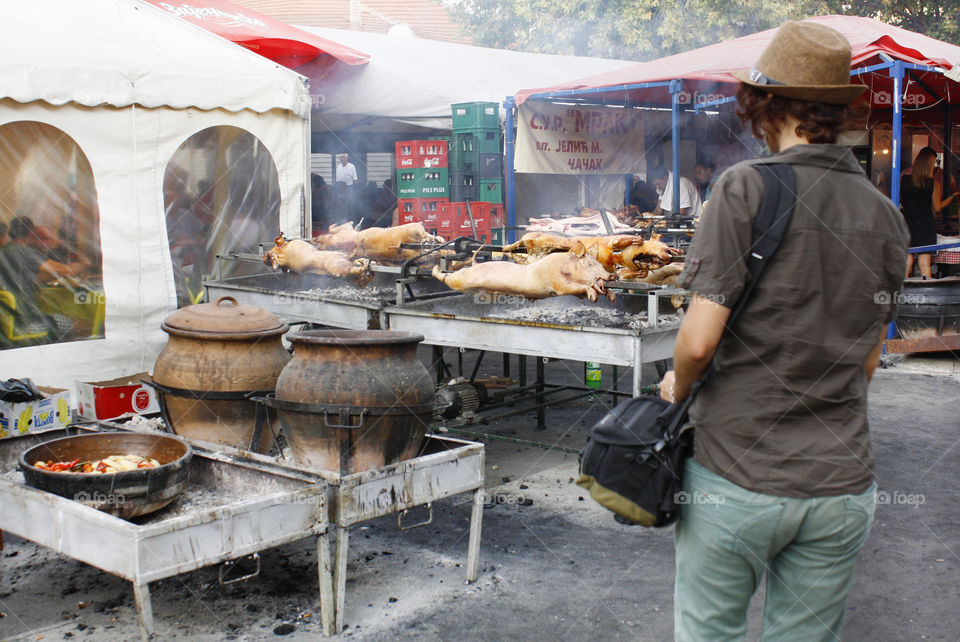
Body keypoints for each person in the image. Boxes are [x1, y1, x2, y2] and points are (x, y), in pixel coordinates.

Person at [658, 21, 908, 641]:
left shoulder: (746, 187)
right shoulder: (886, 214)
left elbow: (698, 341)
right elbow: (868, 360)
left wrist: (678, 385)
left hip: (737, 473)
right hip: (841, 484)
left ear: (765, 106)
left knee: (709, 632)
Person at [0, 216, 87, 340]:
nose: (45, 242)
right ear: (31, 233)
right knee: (72, 323)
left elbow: (36, 277)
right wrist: (84, 265)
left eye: (48, 239)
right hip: (24, 321)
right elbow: (66, 270)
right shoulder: (23, 252)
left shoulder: (4, 251)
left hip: (6, 323)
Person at [901, 146, 960, 278]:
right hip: (925, 226)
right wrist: (952, 196)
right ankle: (927, 293)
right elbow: (937, 207)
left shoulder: (904, 180)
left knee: (907, 259)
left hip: (907, 223)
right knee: (924, 263)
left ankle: (901, 292)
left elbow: (902, 201)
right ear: (930, 163)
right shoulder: (933, 183)